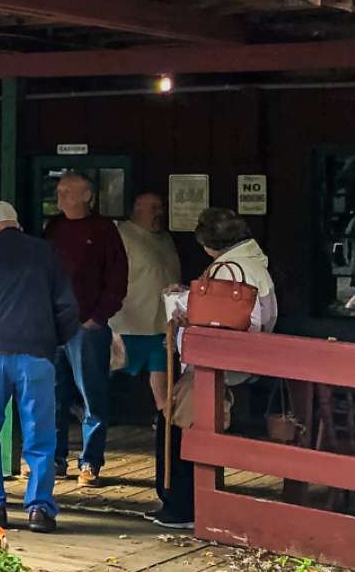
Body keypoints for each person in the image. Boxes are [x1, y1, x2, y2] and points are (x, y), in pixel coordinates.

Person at [0, 201, 79, 533]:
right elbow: (66, 306)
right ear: (15, 223)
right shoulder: (45, 251)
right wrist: (53, 341)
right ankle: (40, 509)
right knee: (40, 435)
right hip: (37, 356)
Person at [150, 209, 277, 529]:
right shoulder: (255, 266)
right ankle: (187, 503)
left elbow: (210, 319)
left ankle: (181, 505)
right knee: (181, 424)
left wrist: (179, 306)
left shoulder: (225, 271)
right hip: (244, 359)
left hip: (214, 365)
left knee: (175, 425)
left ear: (207, 243)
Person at [45, 172, 128, 484]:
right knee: (52, 395)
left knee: (92, 394)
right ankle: (55, 460)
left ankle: (90, 462)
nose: (60, 197)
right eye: (59, 191)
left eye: (67, 191)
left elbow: (117, 278)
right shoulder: (53, 228)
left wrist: (98, 316)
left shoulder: (103, 229)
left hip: (87, 327)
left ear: (86, 196)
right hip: (54, 326)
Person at [114, 193, 182, 416]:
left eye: (160, 207)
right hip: (128, 322)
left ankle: (164, 420)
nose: (159, 213)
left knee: (162, 373)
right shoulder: (122, 235)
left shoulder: (165, 238)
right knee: (110, 371)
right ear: (137, 209)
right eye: (153, 208)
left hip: (162, 323)